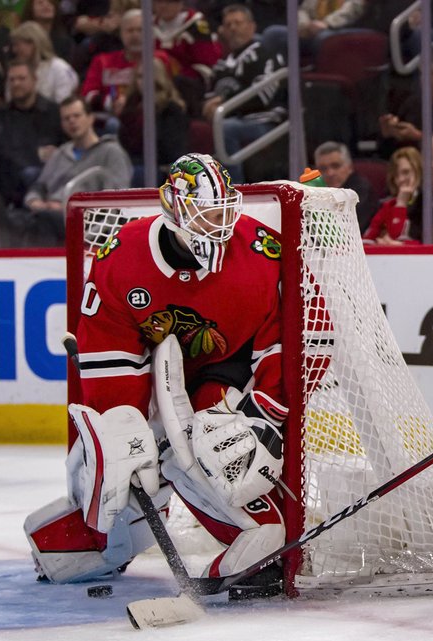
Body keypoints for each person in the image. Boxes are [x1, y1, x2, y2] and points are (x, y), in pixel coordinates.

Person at [24, 153, 290, 600]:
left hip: (231, 372)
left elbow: (290, 335)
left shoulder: (261, 248)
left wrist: (265, 412)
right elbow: (111, 360)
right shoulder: (121, 256)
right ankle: (95, 543)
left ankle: (260, 538)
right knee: (120, 463)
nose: (218, 226)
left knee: (212, 447)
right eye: (205, 215)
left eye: (223, 212)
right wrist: (125, 435)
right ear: (173, 209)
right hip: (157, 374)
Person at [11, 96, 131, 247]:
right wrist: (35, 201)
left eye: (76, 116)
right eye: (66, 118)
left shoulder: (111, 152)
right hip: (45, 214)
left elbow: (119, 200)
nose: (72, 121)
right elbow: (40, 185)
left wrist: (69, 207)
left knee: (40, 220)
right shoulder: (60, 153)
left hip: (83, 220)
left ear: (90, 118)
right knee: (13, 219)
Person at [201, 4, 286, 183]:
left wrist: (224, 105)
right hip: (228, 119)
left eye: (238, 23)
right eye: (228, 24)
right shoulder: (222, 64)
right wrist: (211, 108)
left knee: (226, 128)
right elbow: (210, 97)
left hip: (264, 121)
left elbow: (262, 96)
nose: (233, 28)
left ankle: (235, 187)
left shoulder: (264, 54)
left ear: (252, 26)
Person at [0, 59, 65, 207]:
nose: (16, 84)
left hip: (47, 179)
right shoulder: (0, 115)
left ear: (34, 80)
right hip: (10, 181)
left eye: (21, 78)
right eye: (12, 80)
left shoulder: (54, 112)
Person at [81, 8, 174, 115]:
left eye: (140, 30)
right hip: (110, 116)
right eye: (130, 30)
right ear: (121, 34)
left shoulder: (159, 60)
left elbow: (167, 92)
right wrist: (111, 103)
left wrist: (131, 104)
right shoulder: (102, 61)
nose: (135, 35)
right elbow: (88, 94)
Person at [115, 59, 191, 184]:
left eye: (147, 76)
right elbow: (124, 142)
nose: (142, 82)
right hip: (133, 161)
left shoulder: (171, 109)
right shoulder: (131, 107)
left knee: (136, 174)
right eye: (139, 77)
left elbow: (171, 150)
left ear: (157, 78)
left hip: (161, 167)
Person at [362, 146, 422, 244]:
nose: (400, 179)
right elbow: (367, 239)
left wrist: (401, 204)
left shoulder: (428, 205)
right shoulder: (388, 205)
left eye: (406, 172)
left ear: (419, 171)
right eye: (396, 175)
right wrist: (378, 244)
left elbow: (427, 243)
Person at [9, 20, 78, 103]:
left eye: (17, 45)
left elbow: (64, 104)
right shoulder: (16, 70)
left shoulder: (60, 69)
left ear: (32, 44)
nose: (14, 50)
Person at [314, 141, 374, 231]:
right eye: (323, 169)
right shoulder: (313, 192)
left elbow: (351, 227)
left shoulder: (361, 190)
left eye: (336, 166)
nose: (330, 173)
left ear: (349, 167)